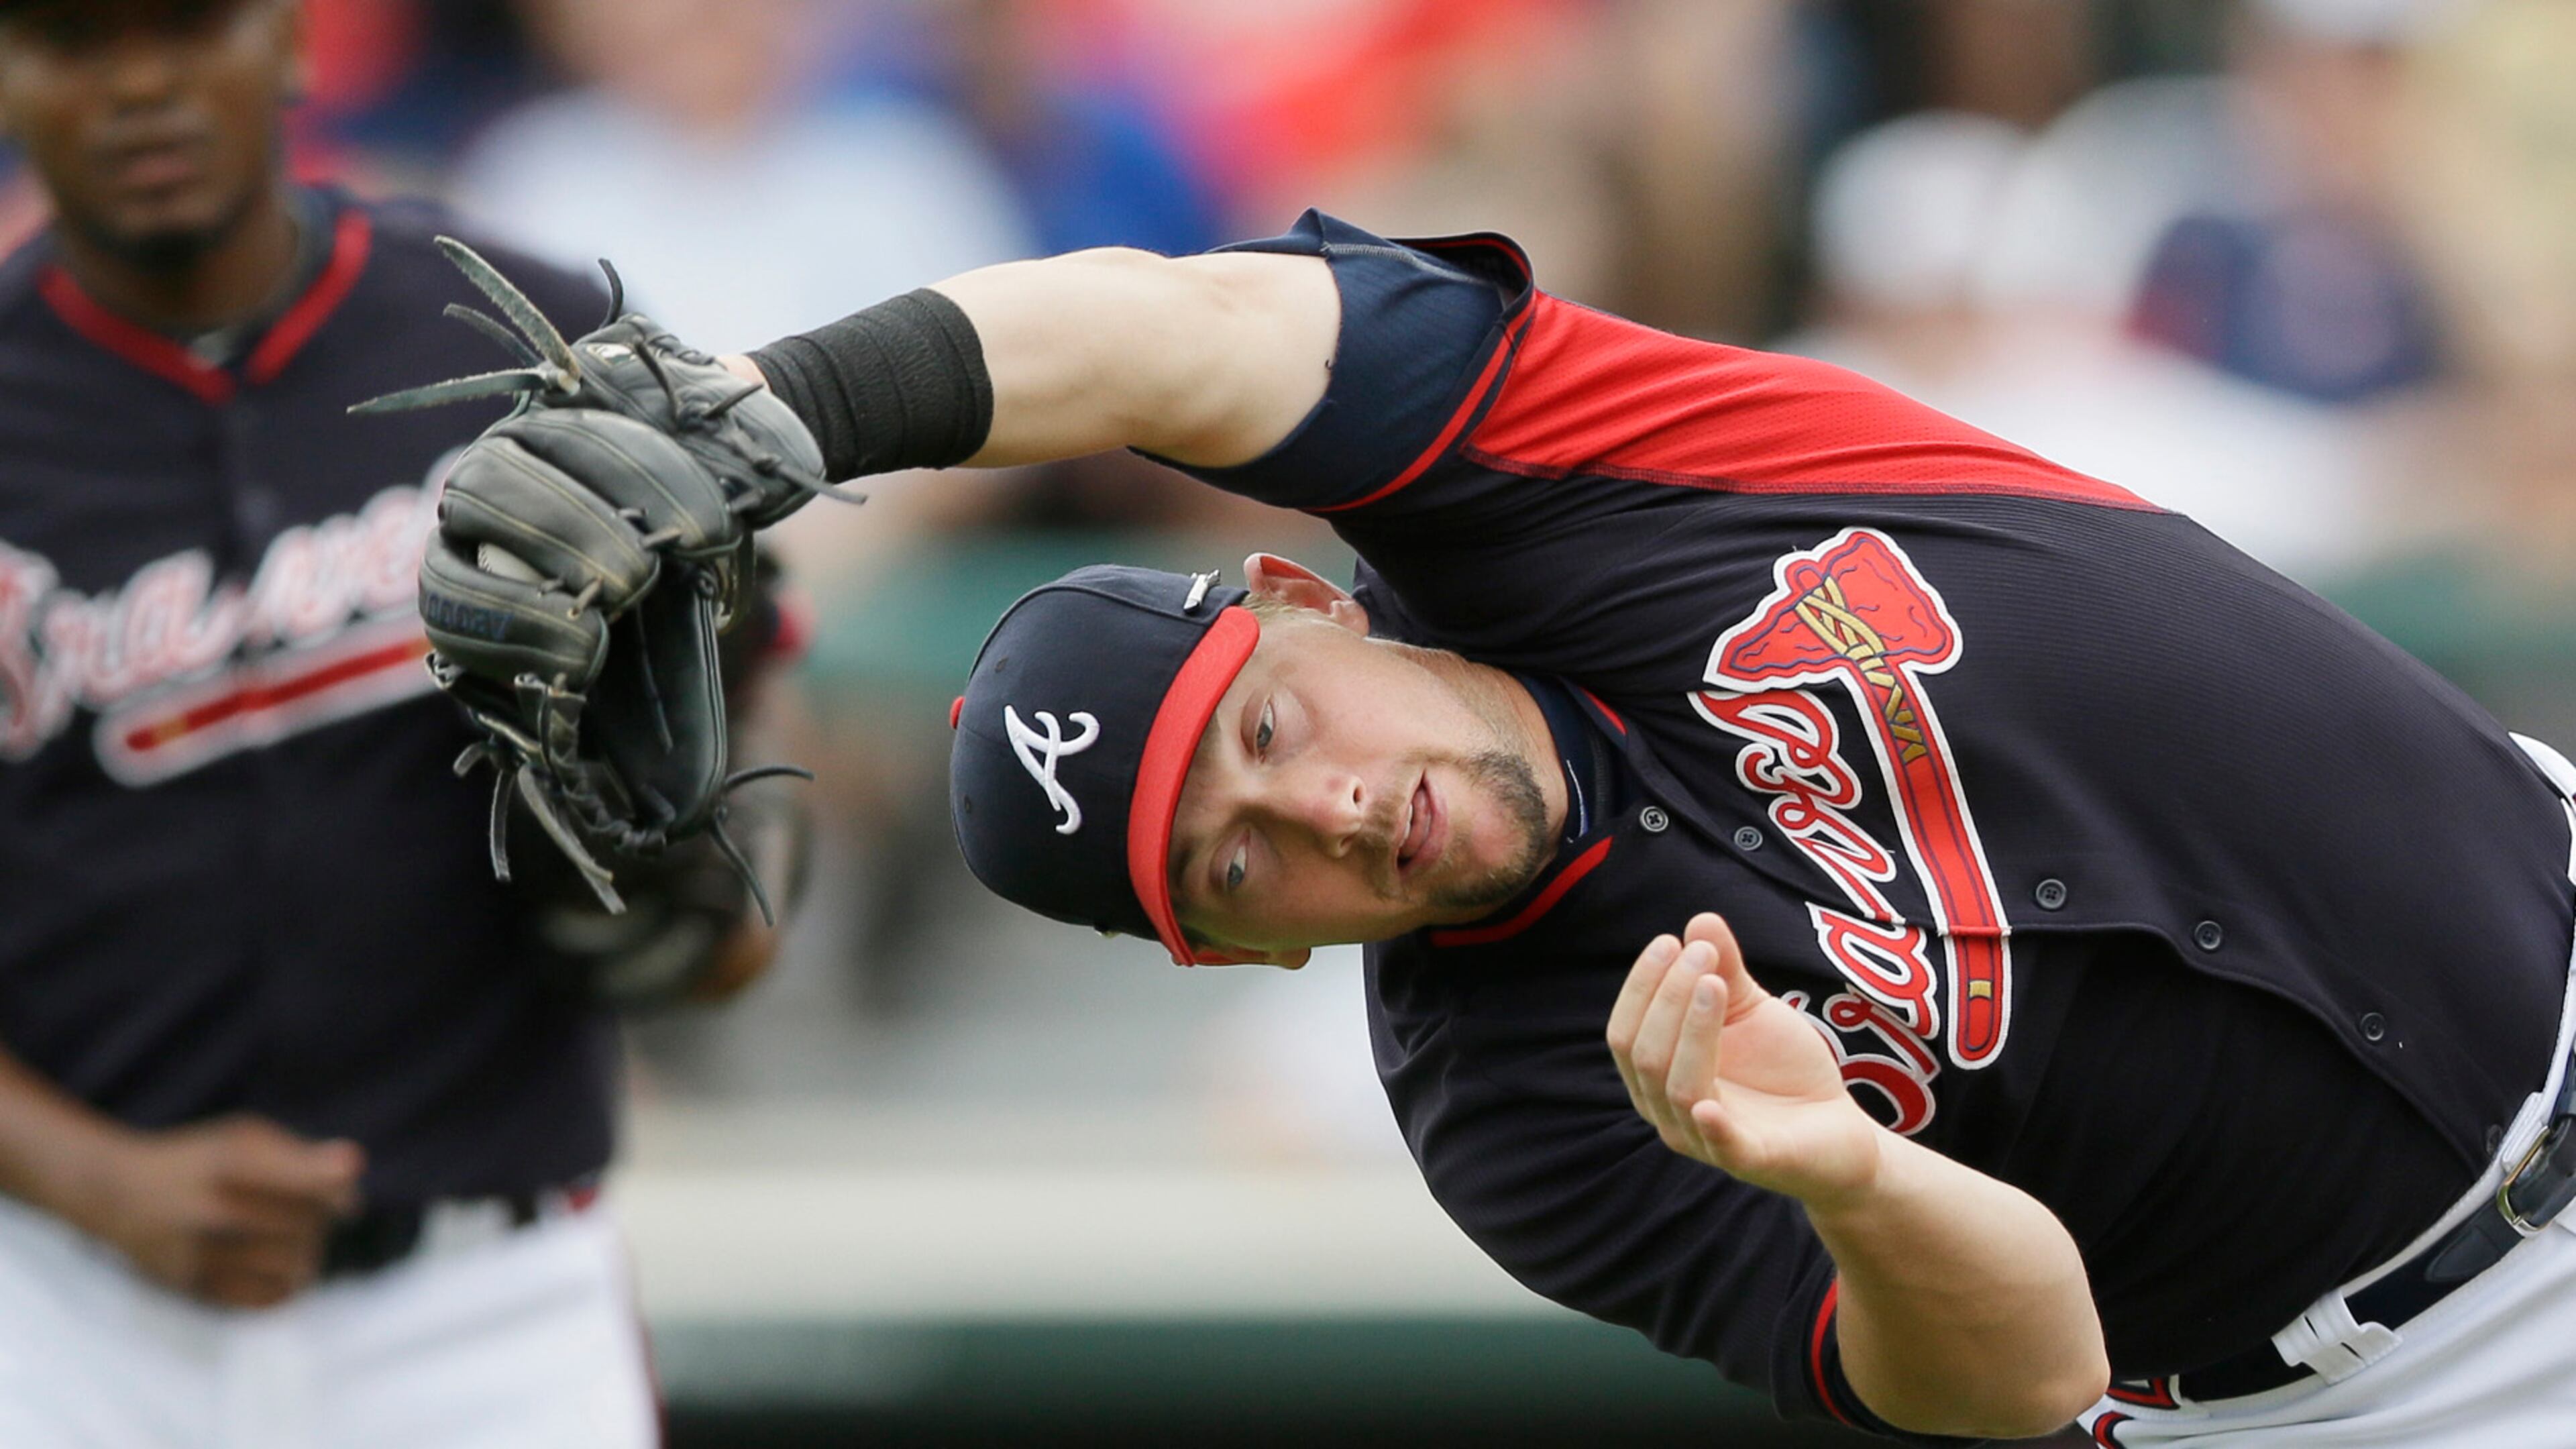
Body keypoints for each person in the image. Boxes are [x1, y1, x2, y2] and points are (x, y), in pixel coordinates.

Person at [449, 197, 2576, 1437]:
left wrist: (793, 414)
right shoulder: (1522, 1110)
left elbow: (1186, 332)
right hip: (2404, 1395)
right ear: (1244, 955)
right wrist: (1845, 1176)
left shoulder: (1567, 494)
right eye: (1231, 860)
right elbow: (2018, 1390)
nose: (1326, 812)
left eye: (1264, 728)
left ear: (1294, 594)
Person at [0, 1, 789, 1443]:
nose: (142, 84)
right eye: (72, 39)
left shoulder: (525, 331)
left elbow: (751, 666)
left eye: (190, 26)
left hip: (486, 1305)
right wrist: (85, 1177)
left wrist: (728, 880)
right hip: (59, 1307)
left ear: (296, 41)